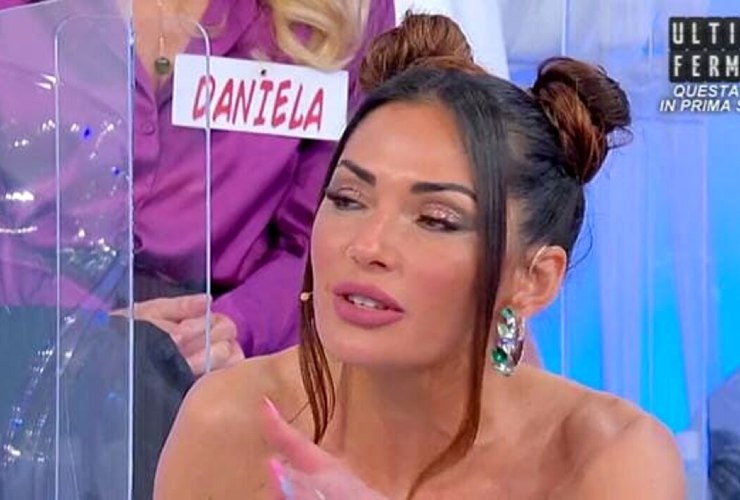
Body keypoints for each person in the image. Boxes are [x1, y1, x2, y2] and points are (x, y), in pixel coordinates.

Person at [150, 12, 689, 500]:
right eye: (347, 199)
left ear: (535, 279)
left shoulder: (610, 459)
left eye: (435, 220)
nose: (367, 246)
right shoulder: (226, 421)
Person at [0, 0, 396, 375]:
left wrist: (233, 327)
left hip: (229, 363)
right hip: (26, 336)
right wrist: (79, 321)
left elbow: (333, 231)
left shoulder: (347, 13)